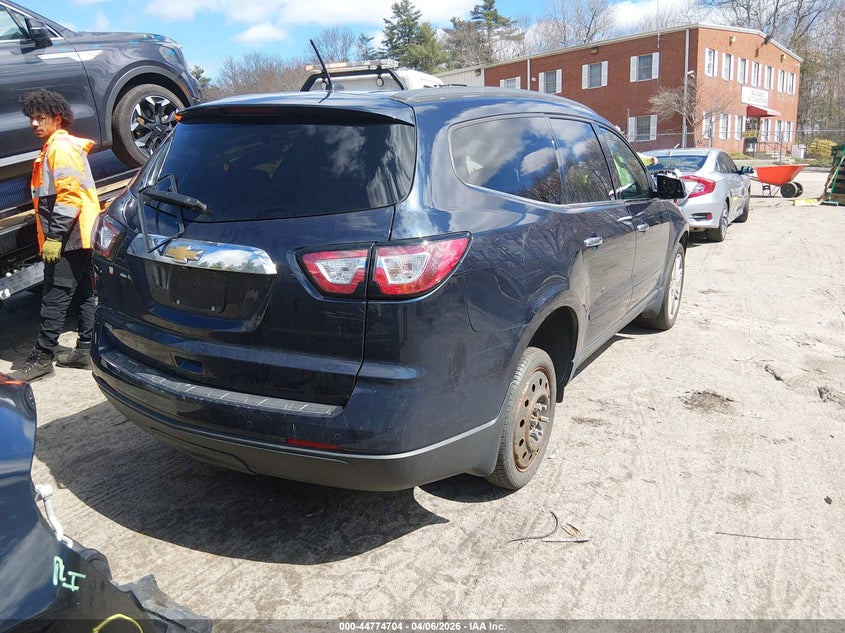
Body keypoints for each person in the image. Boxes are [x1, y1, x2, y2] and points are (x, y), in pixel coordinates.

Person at [9, 89, 101, 382]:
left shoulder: (60, 148)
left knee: (54, 297)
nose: (35, 123)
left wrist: (55, 236)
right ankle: (85, 351)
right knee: (84, 293)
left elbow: (69, 196)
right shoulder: (56, 147)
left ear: (57, 118)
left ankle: (42, 357)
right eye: (32, 119)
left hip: (69, 235)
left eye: (41, 117)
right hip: (78, 233)